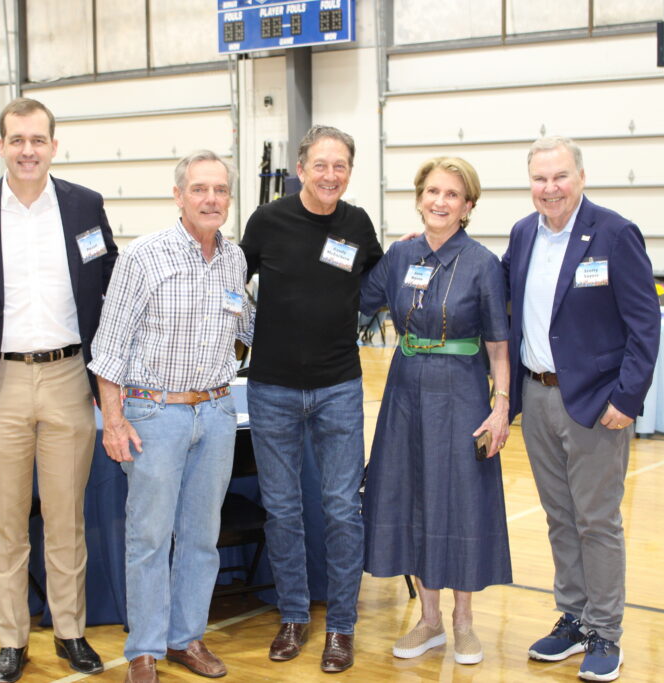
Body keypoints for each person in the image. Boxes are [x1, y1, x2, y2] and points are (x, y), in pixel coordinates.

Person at [0, 98, 118, 682]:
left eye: (38, 140)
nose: (28, 150)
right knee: (5, 522)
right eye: (17, 140)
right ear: (0, 145)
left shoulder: (84, 206)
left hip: (71, 377)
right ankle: (11, 639)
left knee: (68, 518)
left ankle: (70, 632)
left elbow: (112, 281)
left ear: (53, 144)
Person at [89, 151, 253, 683]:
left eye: (220, 190)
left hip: (216, 410)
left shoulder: (235, 260)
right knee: (150, 536)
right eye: (200, 189)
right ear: (179, 196)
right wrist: (115, 421)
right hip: (154, 413)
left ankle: (186, 638)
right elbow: (108, 346)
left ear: (229, 198)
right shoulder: (144, 257)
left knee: (202, 537)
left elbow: (244, 331)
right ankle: (144, 649)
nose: (211, 199)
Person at [503, 137, 660, 682]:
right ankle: (572, 616)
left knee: (597, 521)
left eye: (559, 177)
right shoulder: (523, 234)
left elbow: (645, 323)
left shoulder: (614, 233)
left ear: (581, 176)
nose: (550, 188)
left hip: (595, 402)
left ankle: (605, 632)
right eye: (540, 179)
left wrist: (627, 397)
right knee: (559, 517)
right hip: (537, 394)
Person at [240, 125, 383, 673]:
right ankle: (294, 616)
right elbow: (230, 281)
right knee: (282, 509)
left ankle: (342, 627)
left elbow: (376, 282)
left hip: (339, 386)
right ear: (301, 169)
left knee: (344, 508)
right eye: (320, 165)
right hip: (272, 387)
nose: (330, 175)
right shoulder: (267, 222)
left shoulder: (357, 224)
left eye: (340, 166)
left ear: (349, 171)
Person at [361, 157, 512, 665]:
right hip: (405, 390)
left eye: (451, 194)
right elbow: (359, 298)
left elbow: (497, 344)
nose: (439, 202)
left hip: (463, 391)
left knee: (460, 500)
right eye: (432, 192)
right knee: (413, 497)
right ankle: (428, 622)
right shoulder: (401, 254)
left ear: (468, 205)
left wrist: (501, 407)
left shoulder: (484, 264)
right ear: (419, 196)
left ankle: (463, 624)